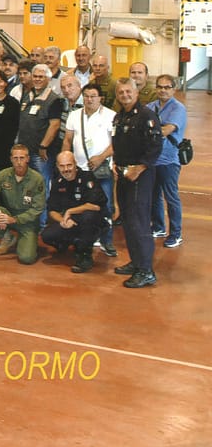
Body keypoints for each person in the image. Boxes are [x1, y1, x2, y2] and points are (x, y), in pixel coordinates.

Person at [111, 78, 163, 288]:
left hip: (140, 175)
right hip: (123, 173)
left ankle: (146, 271)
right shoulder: (119, 117)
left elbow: (155, 146)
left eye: (128, 91)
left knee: (139, 221)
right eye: (121, 92)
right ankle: (136, 262)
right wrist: (116, 164)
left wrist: (139, 168)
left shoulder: (146, 116)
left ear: (136, 92)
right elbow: (117, 143)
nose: (125, 95)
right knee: (127, 220)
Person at [62, 82, 117, 258]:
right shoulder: (74, 115)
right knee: (81, 205)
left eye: (93, 96)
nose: (89, 99)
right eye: (86, 96)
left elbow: (115, 143)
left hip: (101, 169)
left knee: (106, 205)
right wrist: (66, 157)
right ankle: (84, 238)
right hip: (80, 170)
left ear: (100, 97)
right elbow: (68, 139)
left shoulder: (111, 116)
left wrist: (101, 158)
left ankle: (107, 241)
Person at [40, 152, 108, 273]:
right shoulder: (58, 182)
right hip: (70, 221)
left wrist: (70, 211)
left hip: (91, 221)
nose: (66, 169)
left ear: (75, 164)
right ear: (57, 166)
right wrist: (63, 221)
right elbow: (52, 210)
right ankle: (72, 244)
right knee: (47, 235)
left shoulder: (87, 177)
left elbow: (96, 206)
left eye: (69, 165)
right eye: (62, 166)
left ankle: (85, 256)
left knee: (88, 217)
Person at [0, 144, 46, 264]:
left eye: (22, 158)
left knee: (26, 258)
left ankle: (25, 240)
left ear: (28, 159)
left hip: (27, 222)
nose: (19, 162)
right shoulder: (4, 175)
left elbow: (37, 209)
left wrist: (14, 220)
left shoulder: (37, 179)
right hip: (7, 215)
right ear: (11, 159)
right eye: (15, 158)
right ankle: (7, 238)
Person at [148, 74, 186, 247]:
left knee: (171, 197)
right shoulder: (151, 106)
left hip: (169, 160)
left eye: (167, 87)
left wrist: (150, 130)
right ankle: (158, 227)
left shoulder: (178, 109)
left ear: (174, 89)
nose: (163, 90)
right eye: (160, 87)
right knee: (154, 196)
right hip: (152, 160)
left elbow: (167, 130)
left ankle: (176, 233)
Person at [17, 64, 63, 197]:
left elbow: (54, 125)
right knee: (26, 187)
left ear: (48, 79)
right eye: (35, 76)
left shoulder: (54, 99)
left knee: (42, 186)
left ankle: (43, 218)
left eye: (41, 77)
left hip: (41, 154)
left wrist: (43, 146)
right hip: (25, 151)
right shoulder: (27, 95)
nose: (37, 79)